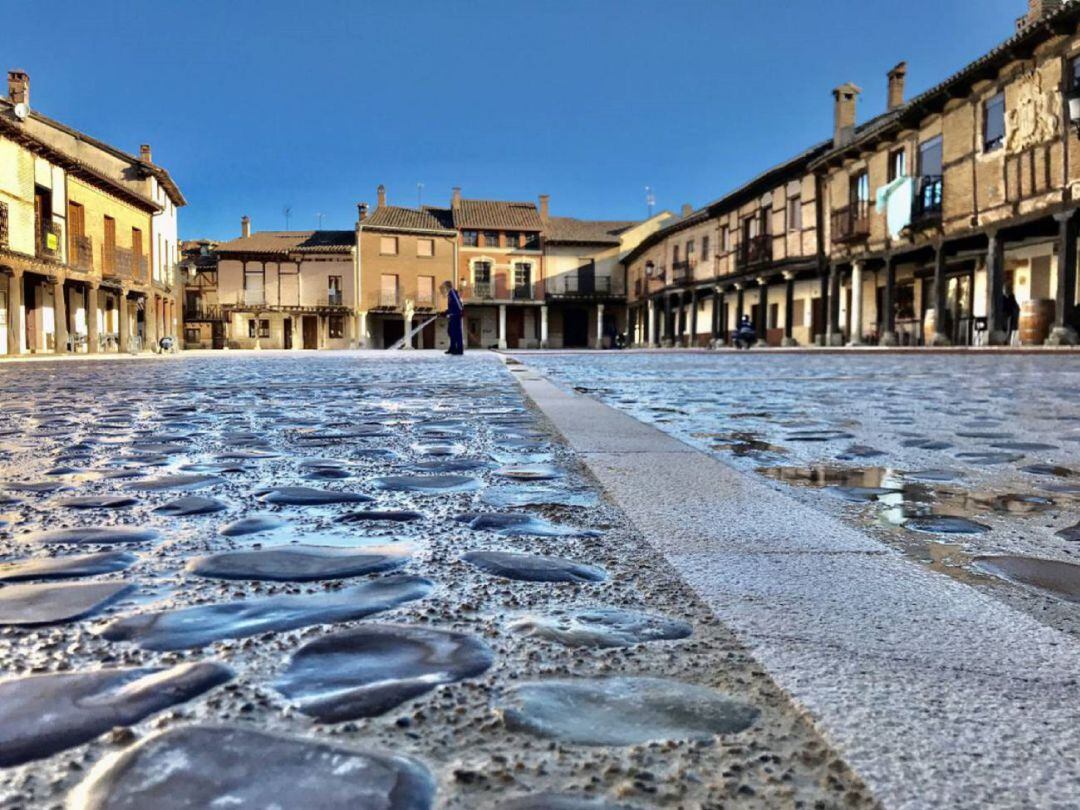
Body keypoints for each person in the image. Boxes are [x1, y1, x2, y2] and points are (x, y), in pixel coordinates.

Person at [442, 280, 464, 355]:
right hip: (453, 315)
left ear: (447, 286)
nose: (444, 288)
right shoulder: (451, 293)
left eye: (444, 287)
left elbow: (458, 304)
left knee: (456, 333)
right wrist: (446, 312)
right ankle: (452, 348)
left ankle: (459, 350)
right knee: (451, 332)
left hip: (455, 316)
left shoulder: (453, 293)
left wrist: (458, 312)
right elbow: (453, 306)